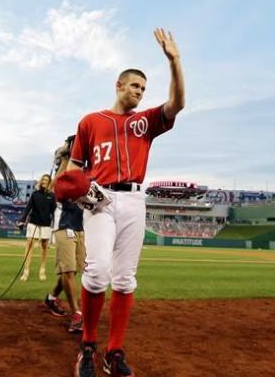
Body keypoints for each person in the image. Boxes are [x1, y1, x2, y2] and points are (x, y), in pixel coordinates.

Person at [58, 28, 184, 377]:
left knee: (125, 279)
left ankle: (114, 352)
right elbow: (74, 170)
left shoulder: (146, 122)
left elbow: (177, 104)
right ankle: (87, 346)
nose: (140, 93)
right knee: (97, 272)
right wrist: (80, 192)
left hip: (134, 199)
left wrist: (175, 62)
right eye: (135, 86)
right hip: (100, 200)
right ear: (119, 85)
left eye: (144, 89)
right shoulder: (90, 121)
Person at [44, 139, 86, 334]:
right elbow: (54, 187)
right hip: (63, 224)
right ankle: (77, 313)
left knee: (72, 271)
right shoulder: (65, 163)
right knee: (68, 271)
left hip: (81, 226)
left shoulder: (85, 166)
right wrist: (63, 157)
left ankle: (52, 298)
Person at [17, 174, 57, 281]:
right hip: (33, 222)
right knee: (29, 244)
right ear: (41, 181)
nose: (44, 181)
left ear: (49, 182)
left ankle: (42, 270)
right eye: (43, 179)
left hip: (46, 224)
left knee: (44, 247)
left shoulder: (52, 196)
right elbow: (27, 208)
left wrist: (56, 225)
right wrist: (22, 220)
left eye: (46, 180)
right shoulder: (35, 194)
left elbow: (54, 212)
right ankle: (26, 271)